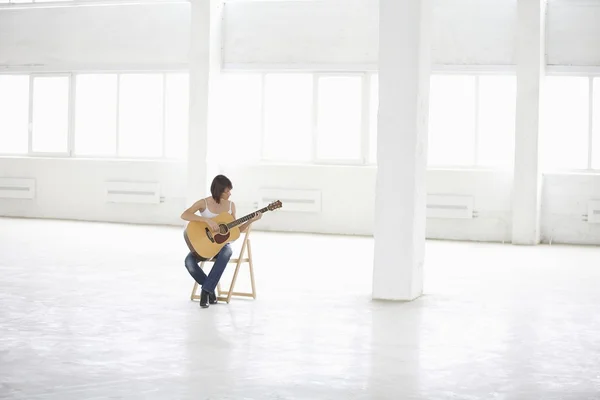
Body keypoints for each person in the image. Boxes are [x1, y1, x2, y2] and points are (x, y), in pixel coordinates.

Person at [181, 175, 261, 308]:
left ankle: (206, 291)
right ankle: (210, 289)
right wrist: (206, 220)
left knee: (227, 251)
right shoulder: (204, 203)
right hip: (205, 246)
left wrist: (251, 220)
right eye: (227, 191)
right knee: (188, 262)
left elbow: (236, 231)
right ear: (218, 190)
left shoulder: (230, 206)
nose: (230, 193)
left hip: (222, 246)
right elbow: (185, 215)